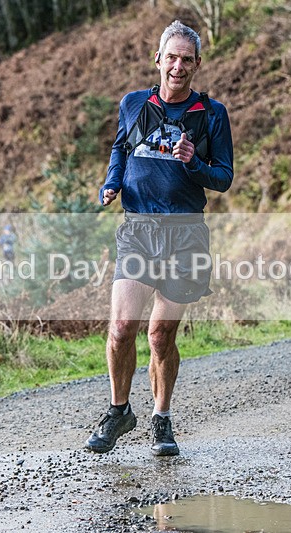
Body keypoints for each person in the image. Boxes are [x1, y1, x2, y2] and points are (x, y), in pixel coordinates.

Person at [85, 20, 233, 457]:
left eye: (187, 59)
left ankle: (161, 418)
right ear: (158, 59)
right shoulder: (134, 103)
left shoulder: (211, 114)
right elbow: (120, 149)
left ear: (198, 65)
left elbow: (223, 178)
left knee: (160, 336)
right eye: (172, 57)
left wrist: (194, 164)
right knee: (121, 328)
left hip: (186, 236)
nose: (179, 66)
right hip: (138, 231)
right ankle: (119, 411)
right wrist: (111, 183)